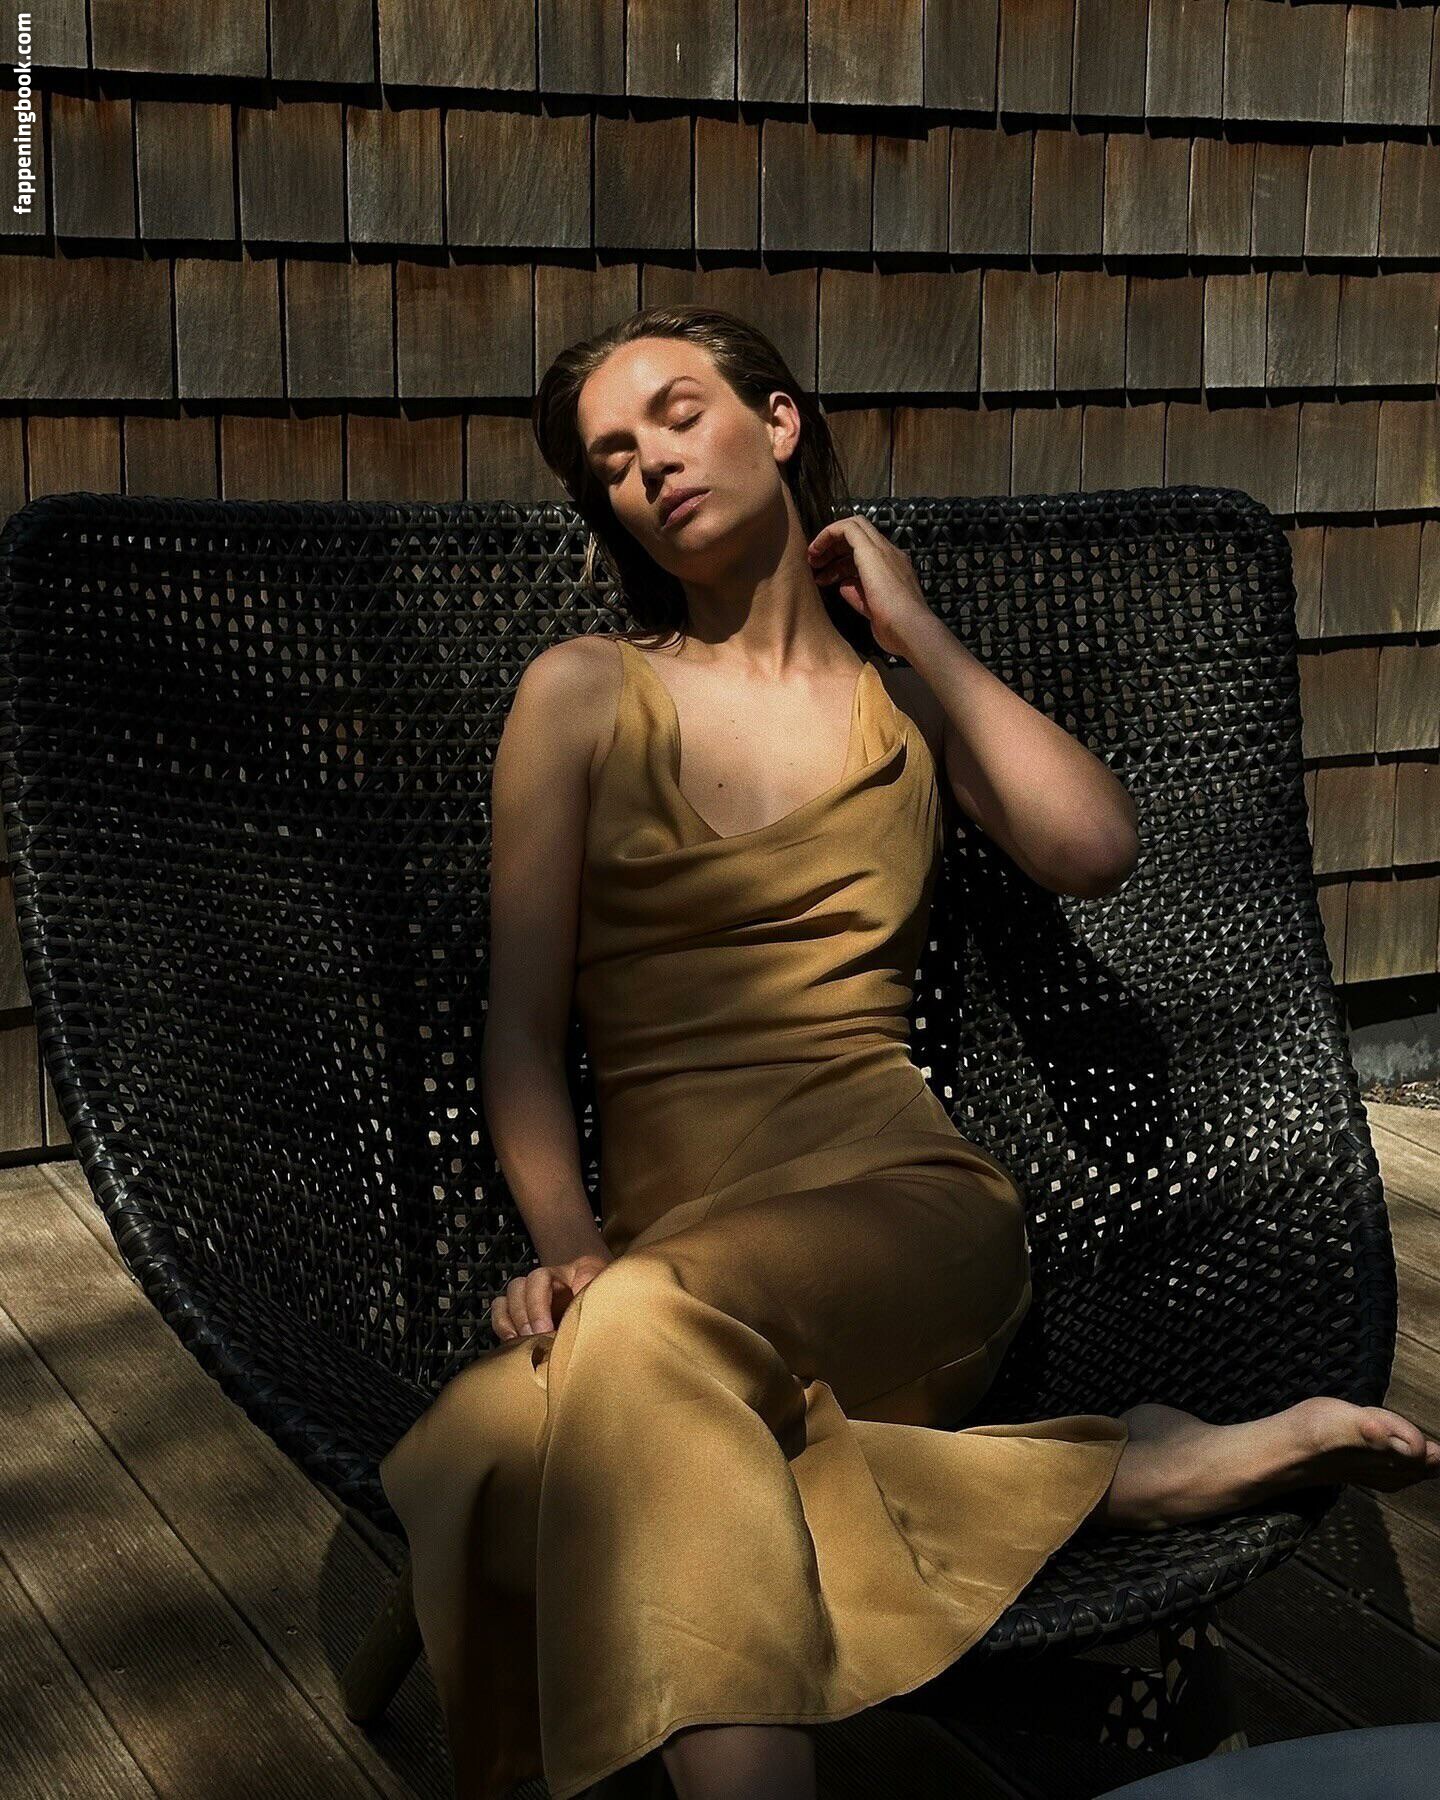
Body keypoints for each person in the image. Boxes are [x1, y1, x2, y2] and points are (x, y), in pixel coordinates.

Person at [379, 305, 1440, 1800]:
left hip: (906, 1212)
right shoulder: (581, 692)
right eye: (611, 461)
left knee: (583, 1402)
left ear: (779, 422)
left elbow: (1092, 845)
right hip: (679, 1266)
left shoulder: (900, 703)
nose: (649, 467)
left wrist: (920, 628)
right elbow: (519, 1033)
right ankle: (1120, 1471)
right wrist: (566, 1245)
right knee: (517, 1428)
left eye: (677, 415)